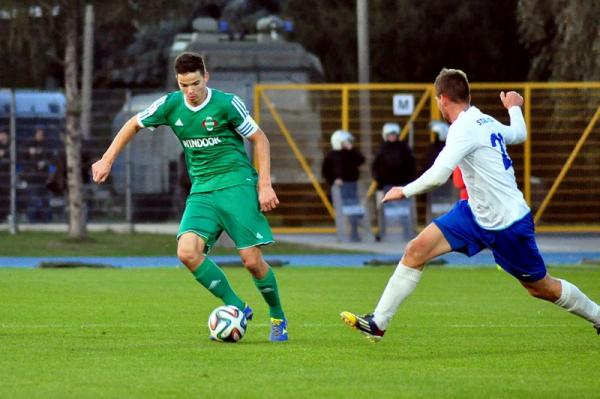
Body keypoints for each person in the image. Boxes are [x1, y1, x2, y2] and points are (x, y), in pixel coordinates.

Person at [341, 68, 600, 341]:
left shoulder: (463, 128)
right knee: (416, 249)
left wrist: (403, 190)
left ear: (442, 99)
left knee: (540, 287)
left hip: (508, 222)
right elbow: (518, 134)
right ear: (468, 95)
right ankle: (378, 323)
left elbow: (439, 175)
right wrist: (513, 108)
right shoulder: (483, 120)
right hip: (475, 213)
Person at [92, 51, 288, 342]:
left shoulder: (227, 103)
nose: (191, 91)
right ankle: (236, 306)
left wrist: (264, 185)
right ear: (178, 81)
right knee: (187, 252)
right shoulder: (171, 105)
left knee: (251, 261)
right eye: (184, 85)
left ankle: (278, 317)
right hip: (202, 190)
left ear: (206, 77)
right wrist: (106, 159)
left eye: (195, 83)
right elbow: (132, 124)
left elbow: (260, 139)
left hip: (236, 184)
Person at [371, 122, 416, 241]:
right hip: (385, 185)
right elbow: (375, 166)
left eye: (394, 134)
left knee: (404, 211)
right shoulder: (381, 148)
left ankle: (408, 233)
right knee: (383, 212)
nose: (392, 136)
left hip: (402, 185)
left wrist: (410, 181)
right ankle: (382, 233)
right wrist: (379, 180)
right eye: (389, 134)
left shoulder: (404, 148)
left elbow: (411, 164)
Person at [321, 129, 365, 241]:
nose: (348, 143)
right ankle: (342, 234)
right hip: (340, 188)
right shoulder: (331, 155)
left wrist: (352, 149)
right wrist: (334, 179)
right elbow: (325, 171)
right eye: (345, 141)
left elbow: (361, 160)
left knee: (354, 211)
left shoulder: (350, 153)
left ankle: (355, 234)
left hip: (352, 185)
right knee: (343, 211)